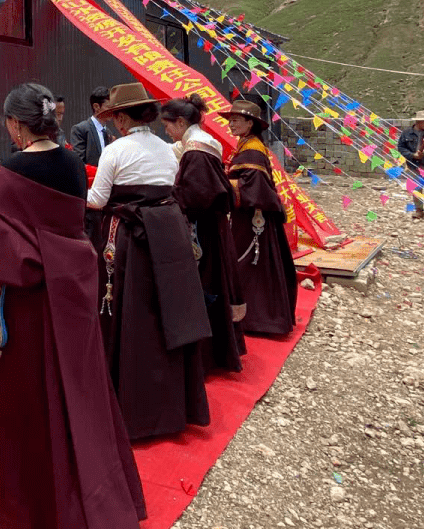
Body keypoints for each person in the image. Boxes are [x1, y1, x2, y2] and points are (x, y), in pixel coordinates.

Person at [0, 82, 146, 529]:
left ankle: (29, 503)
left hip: (28, 300)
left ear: (14, 123)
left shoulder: (9, 172)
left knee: (26, 396)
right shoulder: (71, 163)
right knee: (79, 387)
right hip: (73, 290)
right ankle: (90, 486)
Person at [87, 83, 211, 440]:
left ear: (123, 118)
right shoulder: (168, 150)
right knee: (167, 311)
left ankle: (130, 403)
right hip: (169, 234)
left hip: (131, 237)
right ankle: (172, 403)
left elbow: (97, 200)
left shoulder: (116, 150)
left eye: (115, 118)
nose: (114, 125)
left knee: (132, 313)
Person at [160, 94, 246, 373]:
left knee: (206, 284)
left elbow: (197, 195)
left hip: (202, 229)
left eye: (168, 126)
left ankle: (207, 354)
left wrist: (170, 198)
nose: (167, 132)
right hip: (213, 225)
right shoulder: (202, 144)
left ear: (182, 121)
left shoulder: (195, 151)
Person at [221, 100, 298, 335]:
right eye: (230, 119)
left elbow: (253, 188)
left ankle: (256, 319)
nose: (231, 124)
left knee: (248, 265)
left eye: (236, 120)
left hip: (252, 219)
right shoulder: (247, 145)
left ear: (250, 123)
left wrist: (221, 183)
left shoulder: (252, 150)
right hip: (249, 217)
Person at [70, 85, 114, 166]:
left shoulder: (108, 132)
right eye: (109, 107)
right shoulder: (81, 129)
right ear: (96, 106)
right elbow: (79, 162)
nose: (112, 110)